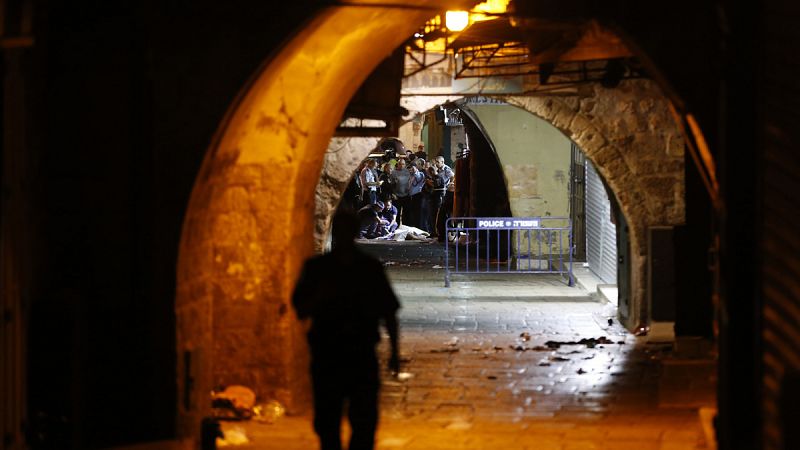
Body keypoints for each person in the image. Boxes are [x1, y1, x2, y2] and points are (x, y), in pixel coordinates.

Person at [292, 210, 400, 450]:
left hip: (345, 353)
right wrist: (394, 352)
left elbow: (389, 311)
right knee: (332, 420)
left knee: (358, 421)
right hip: (336, 353)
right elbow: (389, 312)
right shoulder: (326, 269)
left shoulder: (363, 269)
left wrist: (394, 352)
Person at [432, 156, 455, 240]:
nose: (436, 164)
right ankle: (437, 231)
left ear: (442, 162)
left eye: (438, 162)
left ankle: (447, 232)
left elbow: (453, 176)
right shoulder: (436, 169)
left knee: (442, 212)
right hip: (437, 191)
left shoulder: (446, 169)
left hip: (443, 192)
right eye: (435, 162)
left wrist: (450, 184)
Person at [390, 159, 411, 224]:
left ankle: (405, 228)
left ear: (405, 165)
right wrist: (393, 193)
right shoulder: (393, 172)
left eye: (403, 164)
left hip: (406, 195)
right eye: (400, 164)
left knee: (406, 213)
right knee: (397, 213)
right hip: (397, 196)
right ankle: (396, 227)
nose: (401, 165)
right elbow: (391, 184)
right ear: (397, 164)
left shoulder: (408, 172)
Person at [407, 164, 425, 228]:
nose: (410, 170)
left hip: (418, 196)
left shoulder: (420, 174)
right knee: (413, 213)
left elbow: (419, 178)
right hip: (411, 196)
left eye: (411, 168)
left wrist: (415, 171)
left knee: (418, 214)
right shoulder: (410, 175)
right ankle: (414, 227)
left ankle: (419, 227)